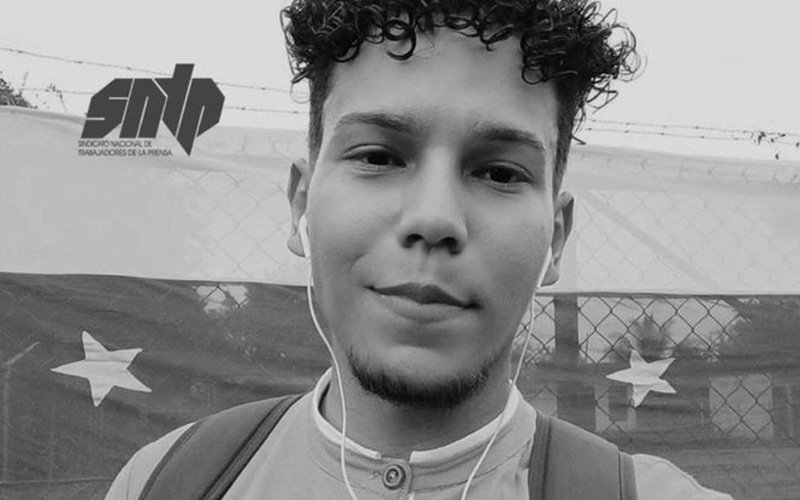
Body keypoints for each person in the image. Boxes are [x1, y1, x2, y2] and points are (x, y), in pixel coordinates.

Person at [106, 1, 732, 498]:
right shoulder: (164, 482)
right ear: (301, 206)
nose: (434, 219)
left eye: (500, 172)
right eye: (378, 157)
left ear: (557, 237)